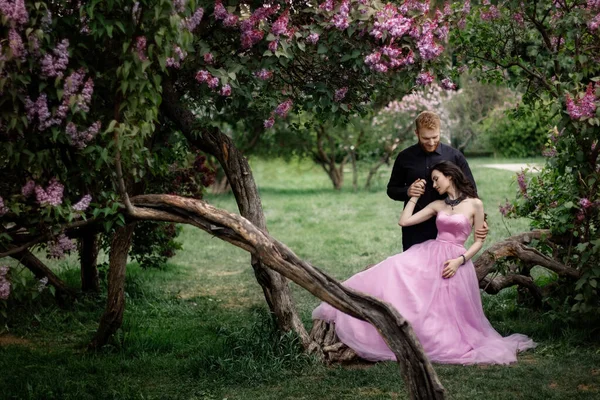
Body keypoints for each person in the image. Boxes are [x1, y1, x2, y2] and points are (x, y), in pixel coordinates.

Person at [313, 161, 536, 365]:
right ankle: (350, 301)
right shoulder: (438, 205)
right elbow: (404, 221)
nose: (434, 183)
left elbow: (478, 241)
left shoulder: (475, 204)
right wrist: (414, 197)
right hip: (430, 253)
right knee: (393, 269)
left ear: (450, 176)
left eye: (436, 178)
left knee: (445, 310)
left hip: (456, 260)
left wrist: (460, 261)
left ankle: (438, 337)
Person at [387, 110, 487, 251]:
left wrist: (481, 219)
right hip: (415, 227)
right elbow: (391, 190)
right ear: (417, 133)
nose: (431, 142)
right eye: (426, 138)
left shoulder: (455, 156)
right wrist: (408, 191)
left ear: (440, 130)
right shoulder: (404, 157)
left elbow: (471, 190)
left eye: (435, 137)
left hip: (448, 228)